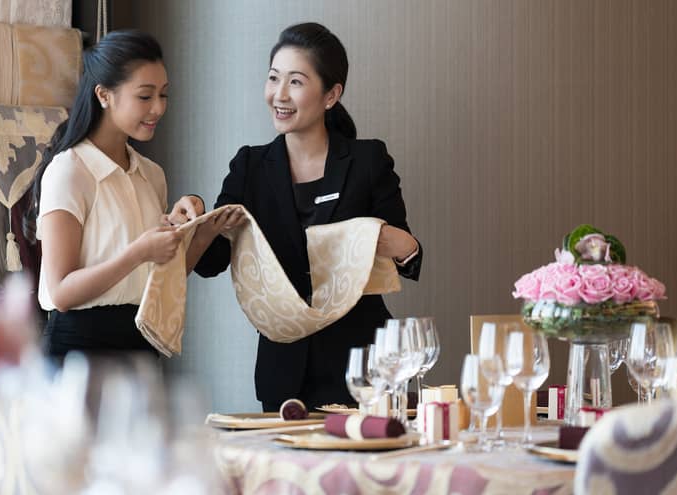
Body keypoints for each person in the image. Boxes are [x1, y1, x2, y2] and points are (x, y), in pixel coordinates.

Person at [187, 23, 422, 411]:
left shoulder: (366, 160)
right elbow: (211, 260)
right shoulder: (250, 166)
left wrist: (382, 240)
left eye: (295, 81)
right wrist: (196, 215)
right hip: (284, 367)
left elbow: (408, 253)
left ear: (331, 95)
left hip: (364, 366)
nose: (279, 94)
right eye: (273, 78)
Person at [24, 30, 204, 358]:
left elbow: (162, 276)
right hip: (79, 350)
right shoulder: (69, 171)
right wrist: (138, 252)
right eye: (145, 96)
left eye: (164, 95)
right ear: (104, 95)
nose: (158, 108)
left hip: (142, 343)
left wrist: (200, 226)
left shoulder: (152, 174)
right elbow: (61, 291)